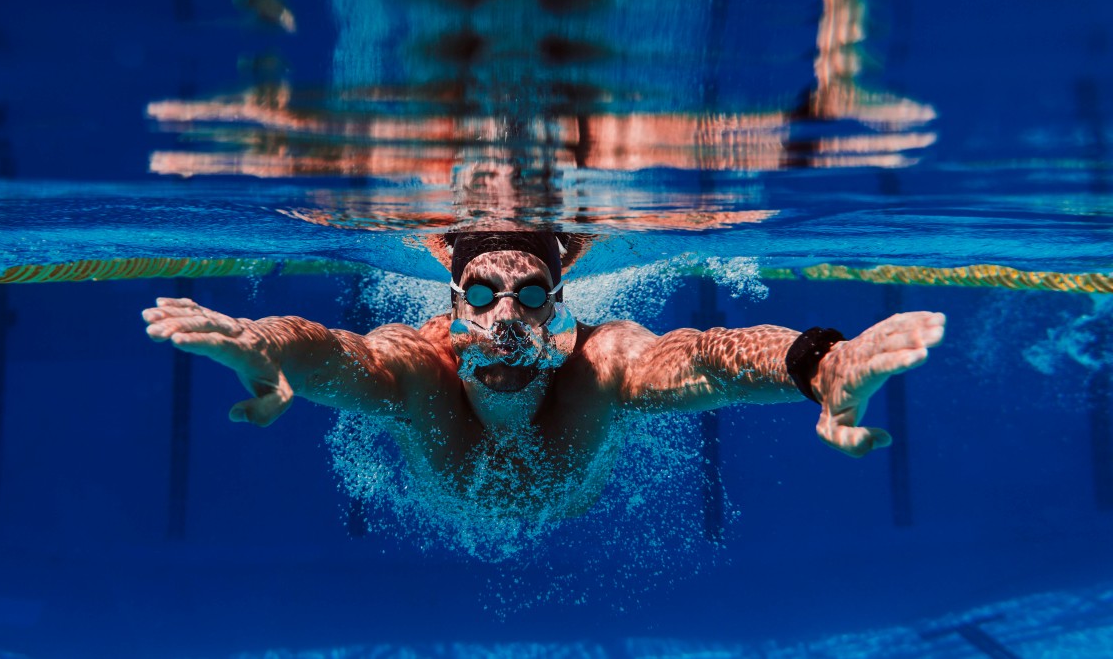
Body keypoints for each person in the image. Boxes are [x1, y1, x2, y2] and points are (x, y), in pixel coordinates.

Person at [143, 231, 944, 517]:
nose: (504, 328)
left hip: (565, 464)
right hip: (457, 460)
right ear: (453, 309)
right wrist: (264, 345)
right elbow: (337, 351)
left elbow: (697, 354)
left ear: (559, 307)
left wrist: (819, 362)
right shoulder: (424, 363)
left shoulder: (596, 360)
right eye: (483, 299)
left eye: (531, 298)